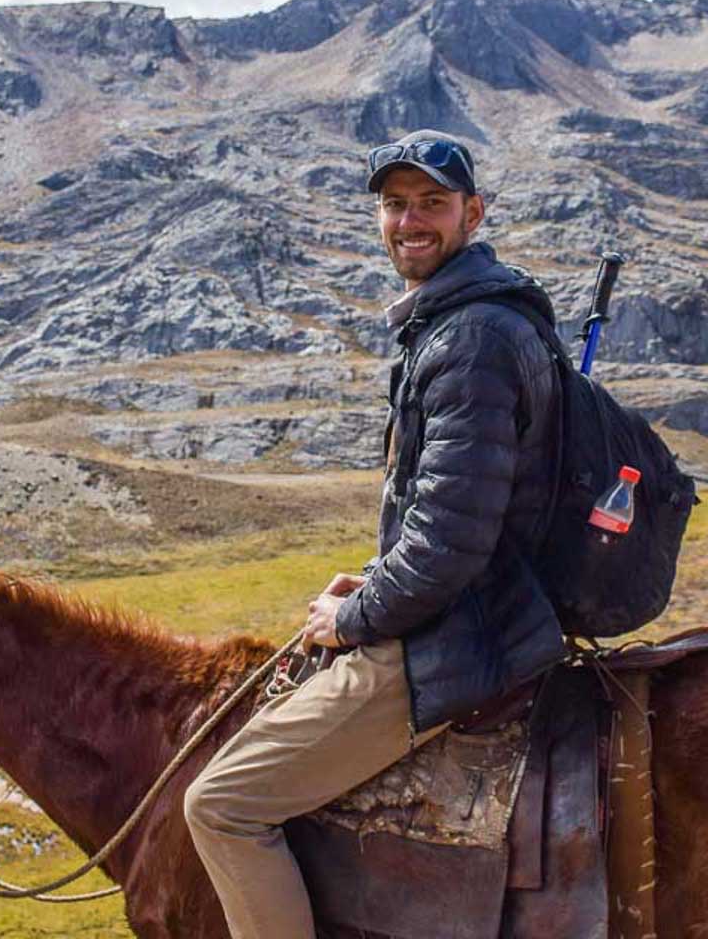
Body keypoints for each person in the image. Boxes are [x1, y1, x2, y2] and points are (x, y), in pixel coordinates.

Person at [184, 129, 567, 939]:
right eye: (396, 204)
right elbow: (449, 511)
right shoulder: (468, 320)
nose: (411, 220)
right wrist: (374, 573)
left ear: (474, 213)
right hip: (478, 607)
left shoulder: (470, 338)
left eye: (432, 203)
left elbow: (453, 545)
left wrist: (353, 620)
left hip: (459, 637)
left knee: (219, 805)